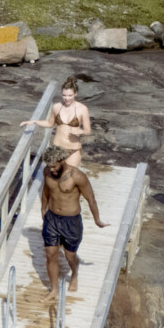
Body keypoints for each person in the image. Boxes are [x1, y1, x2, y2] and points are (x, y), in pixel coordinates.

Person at [39, 145, 106, 298]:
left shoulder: (77, 176)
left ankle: (74, 274)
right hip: (52, 219)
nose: (52, 170)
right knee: (50, 254)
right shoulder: (47, 172)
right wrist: (43, 209)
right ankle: (54, 289)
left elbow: (91, 199)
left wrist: (97, 220)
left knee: (70, 256)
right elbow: (46, 191)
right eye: (49, 167)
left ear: (62, 160)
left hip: (71, 222)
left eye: (55, 166)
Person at [23, 76, 93, 171]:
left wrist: (79, 131)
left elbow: (88, 131)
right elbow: (49, 123)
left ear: (75, 94)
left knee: (69, 178)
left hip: (74, 149)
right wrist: (34, 121)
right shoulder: (56, 107)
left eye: (70, 95)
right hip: (57, 148)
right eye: (64, 95)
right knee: (55, 177)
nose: (67, 98)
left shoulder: (83, 109)